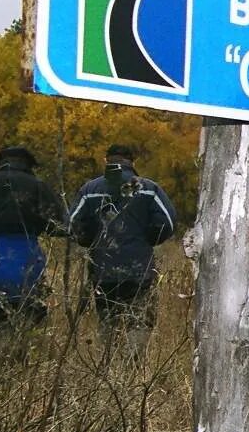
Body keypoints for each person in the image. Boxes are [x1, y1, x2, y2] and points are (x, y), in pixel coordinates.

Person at [69, 144, 179, 365]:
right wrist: (148, 239)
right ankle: (131, 370)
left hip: (102, 271)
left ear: (106, 160)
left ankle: (107, 371)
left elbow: (72, 224)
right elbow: (168, 221)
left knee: (107, 322)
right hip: (139, 270)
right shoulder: (148, 188)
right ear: (133, 162)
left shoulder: (90, 189)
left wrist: (91, 241)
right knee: (138, 321)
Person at [0, 145, 68, 350]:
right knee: (27, 317)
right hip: (25, 257)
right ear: (28, 164)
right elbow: (61, 225)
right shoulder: (37, 185)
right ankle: (19, 365)